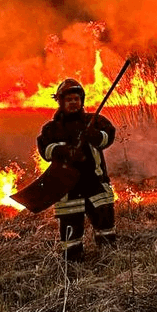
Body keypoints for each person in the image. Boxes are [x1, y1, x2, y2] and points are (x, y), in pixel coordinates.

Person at [36, 78, 118, 262]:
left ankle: (109, 258)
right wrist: (61, 150)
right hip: (68, 187)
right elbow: (45, 149)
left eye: (76, 99)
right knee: (70, 227)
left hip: (95, 183)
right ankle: (73, 262)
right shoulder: (52, 129)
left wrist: (95, 136)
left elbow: (109, 136)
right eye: (69, 99)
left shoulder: (94, 121)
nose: (73, 102)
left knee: (104, 220)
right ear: (61, 102)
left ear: (81, 101)